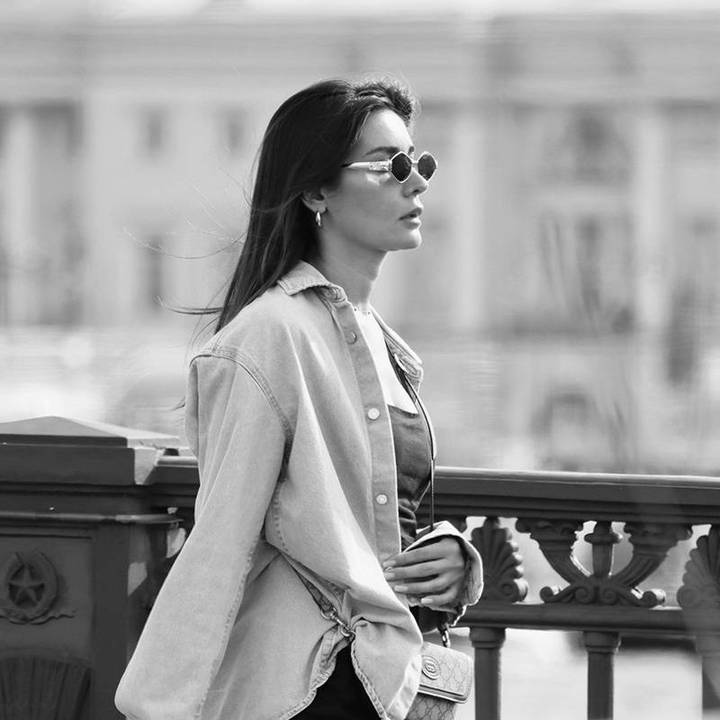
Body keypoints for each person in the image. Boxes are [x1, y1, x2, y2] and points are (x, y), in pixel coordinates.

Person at [115, 76, 483, 720]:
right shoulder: (267, 337)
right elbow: (222, 541)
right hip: (315, 685)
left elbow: (377, 513)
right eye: (388, 165)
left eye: (419, 162)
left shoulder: (385, 345)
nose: (416, 183)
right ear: (315, 192)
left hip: (391, 678)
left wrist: (453, 559)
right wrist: (159, 706)